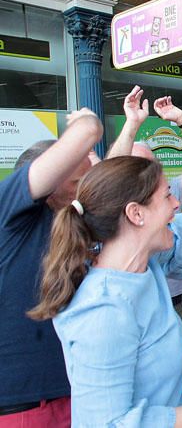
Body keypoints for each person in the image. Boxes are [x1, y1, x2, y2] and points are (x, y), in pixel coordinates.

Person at [28, 156, 182, 426]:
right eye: (167, 197)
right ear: (135, 214)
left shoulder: (145, 266)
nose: (177, 203)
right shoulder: (104, 310)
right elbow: (109, 422)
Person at [0, 108, 102, 426]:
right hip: (29, 404)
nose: (83, 191)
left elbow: (114, 186)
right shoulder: (11, 212)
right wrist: (86, 123)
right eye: (75, 182)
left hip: (74, 392)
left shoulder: (68, 222)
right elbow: (85, 133)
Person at [108, 86, 182, 308]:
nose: (150, 172)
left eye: (152, 164)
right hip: (140, 303)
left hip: (180, 297)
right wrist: (132, 124)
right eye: (139, 166)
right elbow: (108, 175)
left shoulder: (170, 191)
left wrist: (181, 120)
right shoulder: (111, 205)